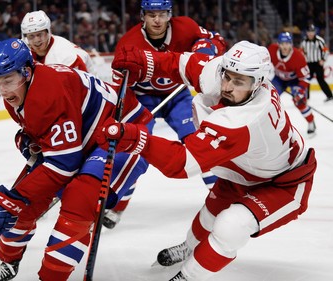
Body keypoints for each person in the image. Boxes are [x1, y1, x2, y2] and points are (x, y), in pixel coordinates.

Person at [97, 40, 317, 281]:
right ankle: (189, 247)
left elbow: (181, 163)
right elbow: (182, 63)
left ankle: (188, 276)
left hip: (284, 183)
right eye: (227, 76)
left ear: (258, 84)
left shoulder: (244, 120)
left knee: (231, 226)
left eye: (239, 82)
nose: (228, 87)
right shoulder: (231, 73)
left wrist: (135, 138)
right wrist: (147, 61)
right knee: (209, 214)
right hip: (245, 168)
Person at [0, 38, 152, 281]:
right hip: (83, 136)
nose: (4, 90)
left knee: (78, 201)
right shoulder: (20, 92)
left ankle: (52, 277)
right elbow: (49, 137)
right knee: (22, 202)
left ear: (26, 72)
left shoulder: (48, 93)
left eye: (9, 80)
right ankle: (7, 262)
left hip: (123, 131)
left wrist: (12, 198)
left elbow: (64, 164)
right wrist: (26, 140)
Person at [103, 0, 226, 229]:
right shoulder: (128, 43)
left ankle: (222, 199)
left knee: (199, 143)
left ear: (169, 14)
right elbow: (120, 90)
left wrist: (207, 48)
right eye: (151, 15)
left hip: (176, 95)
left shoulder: (186, 27)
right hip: (142, 99)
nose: (157, 20)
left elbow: (217, 41)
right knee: (133, 148)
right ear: (143, 16)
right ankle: (118, 207)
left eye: (161, 14)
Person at [268, 32, 316, 135]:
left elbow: (306, 77)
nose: (285, 46)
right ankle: (269, 126)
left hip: (296, 81)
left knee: (300, 102)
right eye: (282, 43)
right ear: (278, 44)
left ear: (291, 44)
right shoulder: (272, 49)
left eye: (287, 43)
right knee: (268, 99)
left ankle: (311, 122)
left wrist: (301, 91)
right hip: (279, 79)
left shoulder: (298, 57)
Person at [21, 10, 96, 74]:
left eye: (39, 34)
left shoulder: (67, 56)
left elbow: (82, 88)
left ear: (48, 32)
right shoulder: (22, 49)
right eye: (31, 36)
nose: (36, 40)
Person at [300, 24, 333, 102]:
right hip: (308, 64)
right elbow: (301, 53)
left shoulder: (320, 40)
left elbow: (326, 51)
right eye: (309, 31)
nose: (310, 33)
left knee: (320, 80)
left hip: (318, 63)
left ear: (314, 32)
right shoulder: (304, 42)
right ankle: (306, 98)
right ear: (306, 32)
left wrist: (323, 60)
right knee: (306, 80)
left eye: (312, 31)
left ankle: (330, 96)